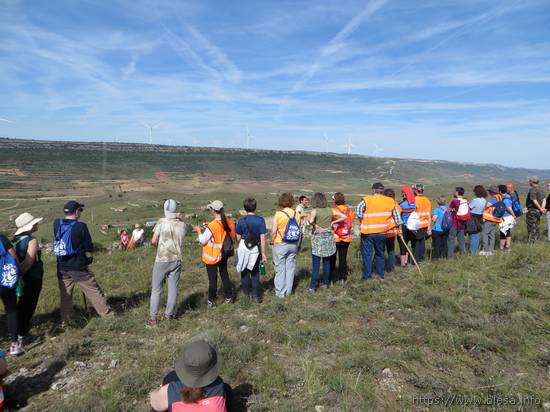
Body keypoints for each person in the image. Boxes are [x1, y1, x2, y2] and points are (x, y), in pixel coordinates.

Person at [54, 200, 113, 324]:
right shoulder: (81, 226)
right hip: (78, 266)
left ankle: (67, 321)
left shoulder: (56, 224)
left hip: (62, 265)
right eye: (80, 210)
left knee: (66, 296)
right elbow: (88, 247)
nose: (80, 212)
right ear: (76, 212)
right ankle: (108, 317)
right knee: (94, 292)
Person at [150, 339, 227, 412]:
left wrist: (160, 389)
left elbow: (154, 402)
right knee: (228, 390)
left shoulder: (172, 390)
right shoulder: (219, 386)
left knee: (171, 377)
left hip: (167, 395)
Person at [147, 199, 186, 327]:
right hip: (177, 259)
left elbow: (153, 241)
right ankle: (168, 315)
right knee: (173, 288)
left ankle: (153, 320)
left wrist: (159, 248)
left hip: (162, 259)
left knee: (156, 289)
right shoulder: (182, 225)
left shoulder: (161, 222)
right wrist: (180, 218)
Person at [194, 201, 235, 307]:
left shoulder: (212, 225)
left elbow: (203, 240)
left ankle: (211, 301)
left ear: (213, 210)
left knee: (213, 280)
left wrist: (199, 231)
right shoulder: (226, 221)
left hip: (212, 256)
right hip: (223, 254)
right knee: (224, 276)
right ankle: (229, 297)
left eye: (210, 209)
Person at [356, 182, 400, 280]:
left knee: (367, 255)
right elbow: (397, 216)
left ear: (373, 190)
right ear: (382, 190)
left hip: (367, 232)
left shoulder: (367, 199)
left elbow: (359, 211)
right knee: (380, 254)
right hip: (382, 232)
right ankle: (381, 275)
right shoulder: (390, 201)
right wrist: (397, 226)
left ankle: (367, 276)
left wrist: (362, 220)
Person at [13, 212, 44, 344]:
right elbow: (28, 262)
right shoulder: (32, 240)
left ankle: (18, 332)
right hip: (32, 277)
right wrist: (20, 275)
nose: (36, 224)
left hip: (24, 277)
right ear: (29, 227)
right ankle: (23, 335)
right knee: (28, 305)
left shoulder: (18, 241)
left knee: (22, 304)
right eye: (34, 223)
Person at [235, 198, 267, 303]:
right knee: (255, 272)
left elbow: (238, 238)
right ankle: (256, 297)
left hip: (243, 248)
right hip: (255, 248)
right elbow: (263, 238)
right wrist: (263, 254)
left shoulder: (241, 221)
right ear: (255, 207)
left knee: (244, 271)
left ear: (244, 208)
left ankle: (245, 295)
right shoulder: (260, 220)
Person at [270, 193, 301, 298]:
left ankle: (280, 293)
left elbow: (273, 232)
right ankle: (288, 291)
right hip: (293, 244)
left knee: (280, 269)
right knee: (290, 268)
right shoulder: (296, 214)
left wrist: (271, 241)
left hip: (280, 243)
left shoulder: (278, 214)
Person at [307, 192, 336, 292]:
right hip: (328, 238)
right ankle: (325, 284)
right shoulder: (330, 210)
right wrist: (333, 222)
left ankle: (313, 287)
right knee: (327, 262)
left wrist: (315, 225)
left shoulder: (315, 210)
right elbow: (344, 217)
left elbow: (310, 222)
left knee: (316, 265)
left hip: (318, 239)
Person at [0, 233, 23, 355]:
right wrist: (19, 274)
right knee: (11, 310)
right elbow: (13, 256)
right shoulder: (1, 238)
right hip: (5, 279)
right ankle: (14, 345)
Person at [330, 192, 355, 283]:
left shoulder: (333, 210)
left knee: (332, 258)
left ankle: (331, 278)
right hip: (346, 237)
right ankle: (342, 278)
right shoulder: (349, 211)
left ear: (335, 201)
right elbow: (351, 221)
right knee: (343, 259)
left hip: (334, 237)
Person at [382, 189, 402, 272]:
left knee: (380, 251)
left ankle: (380, 268)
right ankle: (391, 268)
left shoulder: (381, 205)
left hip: (382, 231)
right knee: (391, 250)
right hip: (392, 231)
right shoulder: (396, 205)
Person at [412, 184, 432, 261]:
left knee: (416, 243)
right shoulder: (427, 200)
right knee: (422, 242)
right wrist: (429, 227)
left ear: (416, 190)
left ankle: (416, 260)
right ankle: (422, 258)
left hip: (416, 225)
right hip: (425, 224)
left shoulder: (414, 200)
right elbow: (429, 215)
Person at [481, 186, 503, 255]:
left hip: (490, 218)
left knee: (485, 233)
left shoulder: (494, 198)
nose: (489, 193)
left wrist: (483, 209)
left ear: (493, 192)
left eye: (490, 191)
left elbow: (488, 205)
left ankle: (485, 250)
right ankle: (491, 249)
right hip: (496, 218)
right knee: (492, 234)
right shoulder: (500, 197)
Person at [397, 186, 416, 268]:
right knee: (408, 243)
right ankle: (407, 261)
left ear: (405, 194)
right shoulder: (414, 204)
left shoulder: (402, 205)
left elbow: (398, 216)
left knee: (402, 245)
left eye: (403, 193)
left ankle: (403, 263)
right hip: (412, 226)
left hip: (404, 226)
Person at [466, 185, 487, 255]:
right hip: (479, 218)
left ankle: (472, 252)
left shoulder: (475, 200)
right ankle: (476, 250)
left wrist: (467, 203)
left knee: (472, 235)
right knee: (476, 235)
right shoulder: (484, 200)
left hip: (472, 218)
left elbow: (469, 208)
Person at [447, 187, 467, 257]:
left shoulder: (454, 201)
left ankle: (450, 256)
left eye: (455, 191)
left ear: (457, 192)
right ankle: (463, 254)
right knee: (461, 240)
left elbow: (449, 209)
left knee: (451, 239)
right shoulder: (465, 201)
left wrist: (452, 210)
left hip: (454, 223)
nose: (454, 192)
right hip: (462, 223)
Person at [525, 176, 546, 242]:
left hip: (532, 211)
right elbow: (544, 200)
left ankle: (532, 242)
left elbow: (534, 200)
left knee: (531, 227)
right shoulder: (541, 189)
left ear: (532, 182)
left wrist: (540, 208)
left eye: (529, 181)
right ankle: (536, 240)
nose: (529, 182)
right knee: (536, 226)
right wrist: (542, 208)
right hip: (539, 212)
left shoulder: (532, 189)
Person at [498, 185, 517, 251]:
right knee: (507, 232)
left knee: (503, 233)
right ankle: (507, 247)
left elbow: (509, 208)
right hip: (508, 217)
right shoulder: (508, 197)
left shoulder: (505, 199)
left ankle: (501, 248)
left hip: (506, 218)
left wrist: (514, 215)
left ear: (500, 191)